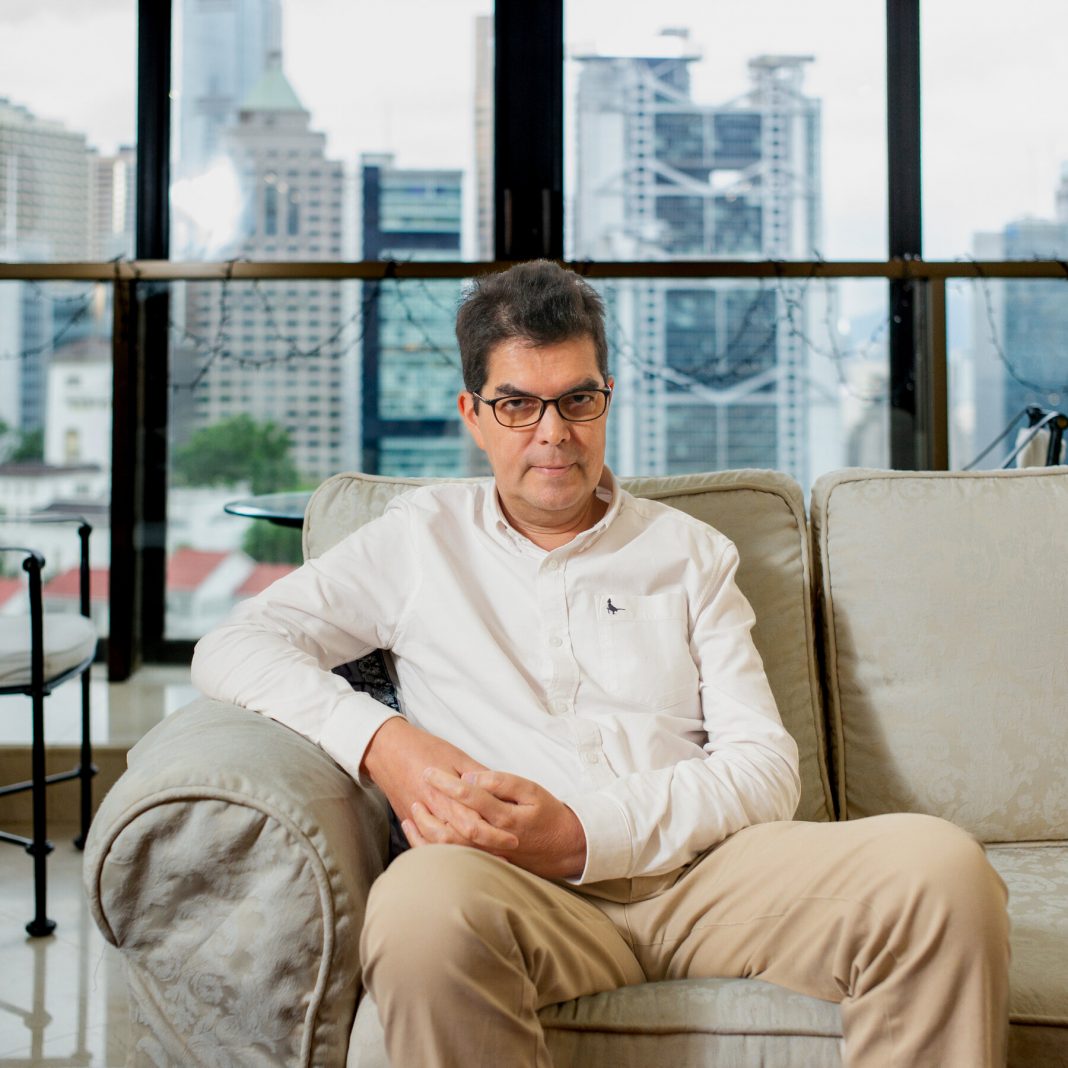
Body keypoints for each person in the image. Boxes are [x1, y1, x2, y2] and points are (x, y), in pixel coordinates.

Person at [191, 260, 1010, 1067]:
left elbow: (765, 769)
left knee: (939, 870)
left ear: (606, 399)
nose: (553, 433)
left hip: (705, 880)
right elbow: (235, 645)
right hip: (513, 890)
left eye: (577, 400)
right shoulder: (418, 538)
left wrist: (584, 834)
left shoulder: (690, 552)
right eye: (517, 404)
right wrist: (385, 744)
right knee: (417, 907)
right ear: (473, 414)